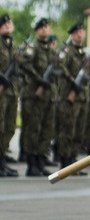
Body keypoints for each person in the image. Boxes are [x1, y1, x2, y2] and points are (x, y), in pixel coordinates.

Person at [18, 18, 57, 177]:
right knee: (32, 130)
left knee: (46, 130)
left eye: (46, 27)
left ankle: (41, 161)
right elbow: (24, 64)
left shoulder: (51, 50)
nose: (44, 29)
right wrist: (39, 78)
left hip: (48, 96)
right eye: (41, 27)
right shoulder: (31, 48)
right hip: (33, 95)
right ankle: (31, 164)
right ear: (37, 31)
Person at [55, 22, 88, 172]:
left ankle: (73, 159)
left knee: (78, 130)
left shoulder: (83, 53)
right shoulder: (66, 51)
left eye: (82, 32)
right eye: (77, 32)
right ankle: (65, 160)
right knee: (67, 129)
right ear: (72, 35)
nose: (80, 34)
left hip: (81, 96)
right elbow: (61, 68)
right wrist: (73, 82)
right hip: (68, 96)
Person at [0, 13, 20, 177]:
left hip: (11, 91)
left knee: (9, 127)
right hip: (1, 90)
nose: (8, 25)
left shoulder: (11, 44)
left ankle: (2, 160)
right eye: (4, 23)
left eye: (9, 23)